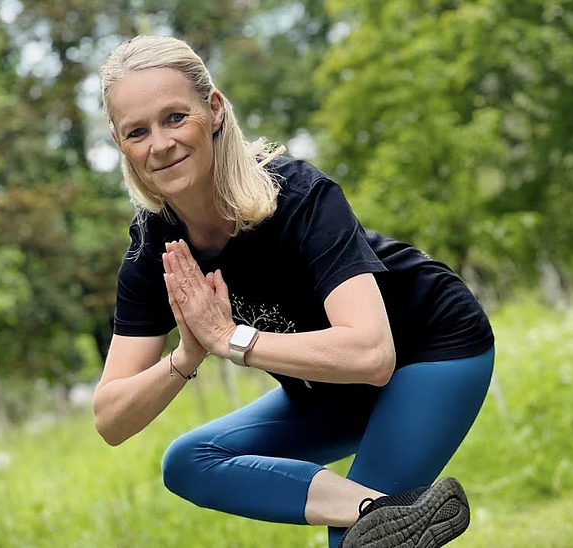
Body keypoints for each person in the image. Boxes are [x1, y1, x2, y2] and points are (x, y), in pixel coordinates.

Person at [93, 35, 495, 548]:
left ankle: (375, 525)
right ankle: (385, 512)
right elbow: (111, 418)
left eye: (175, 117)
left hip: (429, 349)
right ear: (119, 144)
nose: (160, 144)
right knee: (190, 461)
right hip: (327, 389)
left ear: (214, 110)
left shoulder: (298, 195)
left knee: (354, 543)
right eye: (137, 131)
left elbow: (372, 354)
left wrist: (231, 338)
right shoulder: (156, 249)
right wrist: (189, 354)